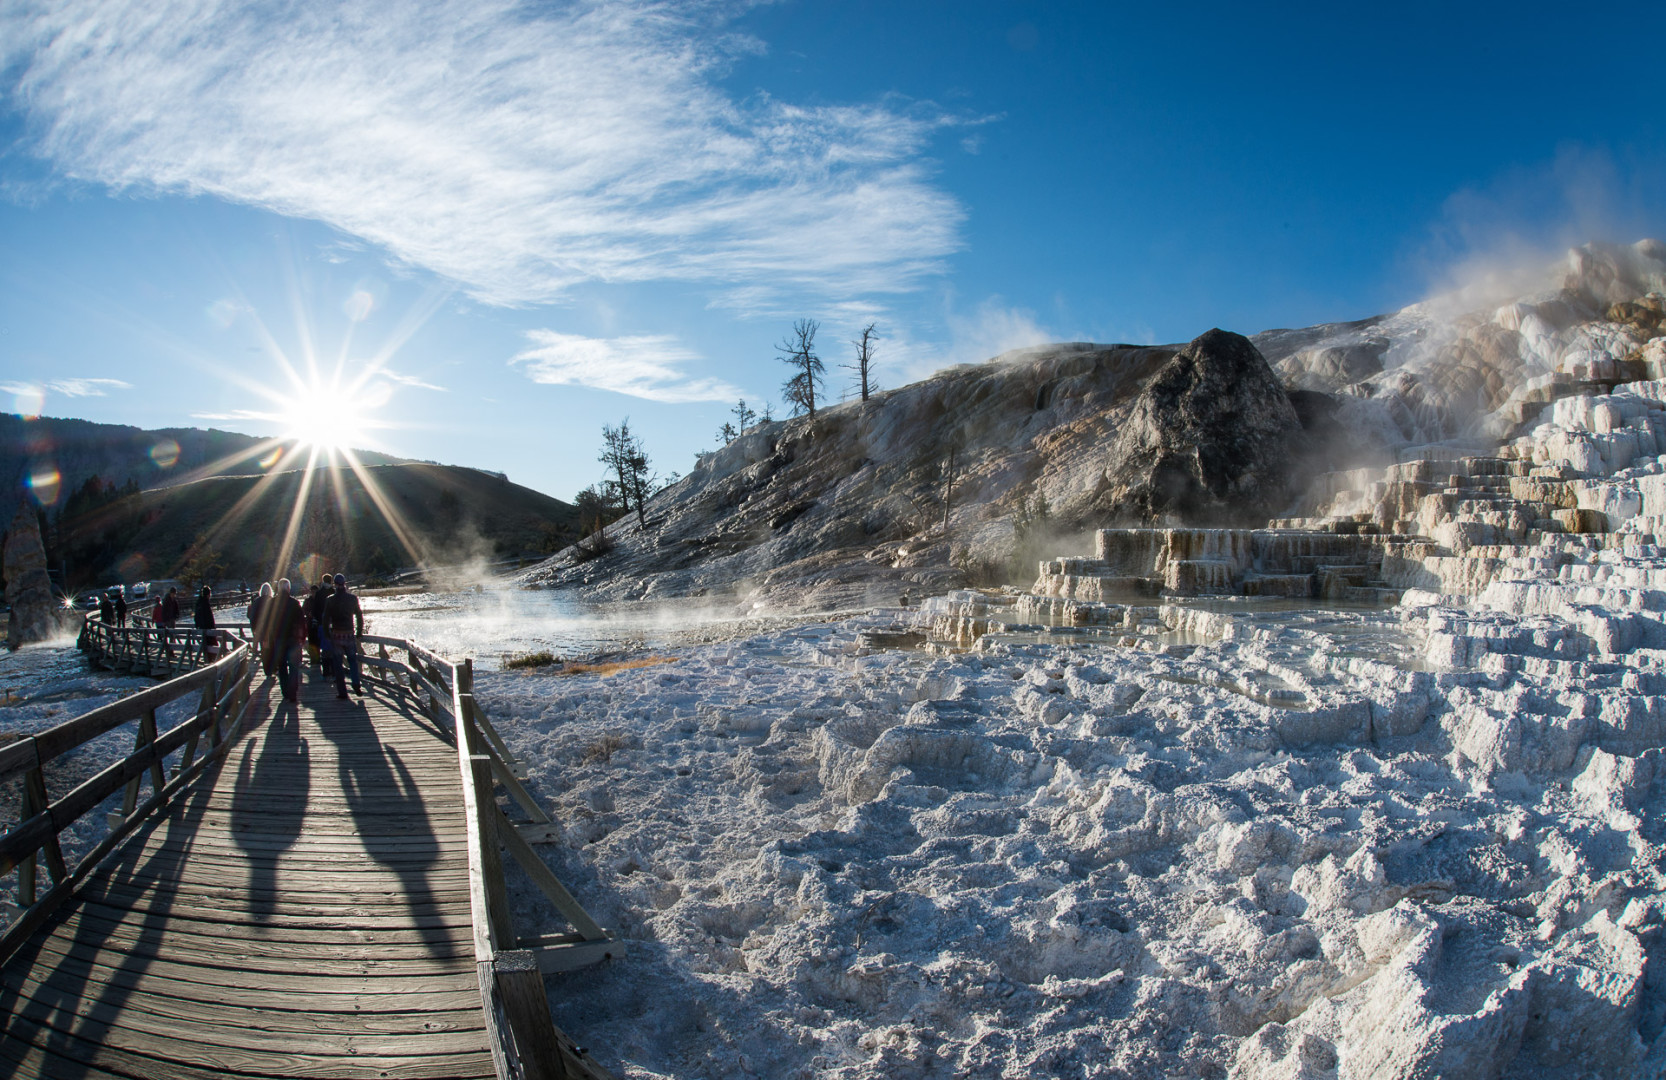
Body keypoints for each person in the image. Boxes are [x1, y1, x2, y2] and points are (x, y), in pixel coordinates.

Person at [325, 573, 364, 699]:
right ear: (345, 584)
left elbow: (325, 618)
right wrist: (359, 631)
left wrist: (326, 633)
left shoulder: (330, 600)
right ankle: (356, 683)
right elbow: (359, 615)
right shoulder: (352, 599)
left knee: (338, 664)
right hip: (349, 633)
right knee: (353, 661)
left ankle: (342, 692)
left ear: (335, 585)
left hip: (336, 634)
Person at [272, 578, 305, 700]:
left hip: (279, 638)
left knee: (282, 666)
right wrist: (302, 637)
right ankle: (293, 691)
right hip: (293, 638)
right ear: (288, 588)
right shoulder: (295, 603)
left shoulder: (272, 603)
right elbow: (302, 622)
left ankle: (285, 690)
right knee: (294, 666)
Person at [248, 582, 275, 677]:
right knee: (272, 648)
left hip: (261, 630)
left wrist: (254, 629)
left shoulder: (256, 601)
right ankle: (273, 668)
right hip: (272, 630)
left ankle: (267, 669)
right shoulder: (272, 600)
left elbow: (252, 617)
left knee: (264, 649)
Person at [194, 585, 216, 661]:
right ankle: (212, 661)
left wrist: (197, 625)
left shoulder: (199, 603)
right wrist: (212, 628)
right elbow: (208, 617)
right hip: (208, 628)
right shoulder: (205, 604)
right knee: (213, 645)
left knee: (206, 645)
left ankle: (208, 659)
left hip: (202, 628)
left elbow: (196, 616)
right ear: (208, 594)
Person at [159, 587, 180, 660]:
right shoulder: (166, 600)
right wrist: (164, 621)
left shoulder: (174, 601)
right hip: (167, 620)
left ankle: (171, 652)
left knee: (172, 636)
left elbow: (176, 609)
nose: (174, 595)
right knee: (168, 636)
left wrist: (177, 615)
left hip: (172, 619)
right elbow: (163, 611)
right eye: (173, 593)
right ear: (171, 593)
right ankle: (168, 652)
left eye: (175, 594)